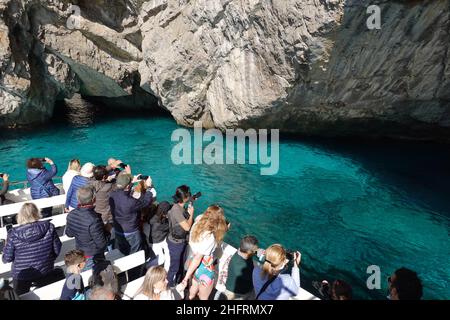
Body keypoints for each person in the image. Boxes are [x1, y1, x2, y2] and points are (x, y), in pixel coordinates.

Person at [2, 203, 62, 295]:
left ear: (20, 215)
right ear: (37, 213)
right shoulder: (49, 227)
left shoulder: (13, 234)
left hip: (22, 274)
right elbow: (57, 249)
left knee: (20, 295)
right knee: (48, 293)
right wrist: (48, 259)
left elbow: (7, 258)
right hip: (45, 269)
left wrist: (6, 246)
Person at [182, 205, 228, 300]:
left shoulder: (198, 222)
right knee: (204, 297)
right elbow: (198, 258)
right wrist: (185, 278)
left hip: (193, 266)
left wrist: (188, 275)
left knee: (193, 290)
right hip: (204, 269)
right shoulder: (209, 237)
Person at [65, 186, 109, 271]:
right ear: (94, 200)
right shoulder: (94, 219)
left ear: (78, 199)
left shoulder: (71, 215)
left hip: (80, 252)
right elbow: (101, 244)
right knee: (94, 279)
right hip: (93, 255)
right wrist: (107, 231)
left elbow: (69, 234)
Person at [109, 173, 154, 256]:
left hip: (118, 229)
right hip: (131, 232)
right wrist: (149, 188)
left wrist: (131, 183)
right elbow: (145, 203)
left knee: (123, 252)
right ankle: (134, 269)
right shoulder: (131, 202)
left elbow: (123, 193)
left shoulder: (112, 195)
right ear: (127, 186)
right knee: (135, 255)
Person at [166, 185, 194, 287]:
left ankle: (178, 282)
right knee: (174, 267)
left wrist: (189, 205)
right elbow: (187, 228)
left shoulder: (178, 206)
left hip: (179, 241)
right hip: (176, 243)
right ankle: (169, 285)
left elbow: (182, 217)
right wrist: (191, 214)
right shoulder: (176, 210)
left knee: (180, 265)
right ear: (185, 197)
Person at [220, 235, 259, 300]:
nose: (256, 252)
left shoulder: (241, 251)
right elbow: (254, 278)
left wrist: (258, 252)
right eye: (255, 251)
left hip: (237, 288)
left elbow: (250, 251)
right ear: (249, 252)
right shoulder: (240, 267)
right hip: (236, 294)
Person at [148, 201, 171, 271]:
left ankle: (166, 271)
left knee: (168, 255)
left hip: (161, 238)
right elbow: (169, 227)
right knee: (161, 259)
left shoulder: (155, 216)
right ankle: (147, 266)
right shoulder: (158, 224)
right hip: (156, 242)